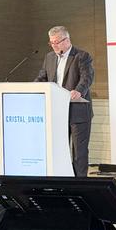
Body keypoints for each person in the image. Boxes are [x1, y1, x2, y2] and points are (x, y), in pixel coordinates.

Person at [35, 26, 94, 177]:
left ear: (67, 40)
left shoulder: (82, 56)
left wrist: (79, 90)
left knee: (78, 151)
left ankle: (79, 183)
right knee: (59, 149)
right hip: (57, 111)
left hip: (78, 111)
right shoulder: (49, 57)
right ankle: (62, 180)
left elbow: (86, 78)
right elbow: (43, 77)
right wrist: (32, 88)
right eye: (52, 43)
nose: (54, 46)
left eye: (57, 42)